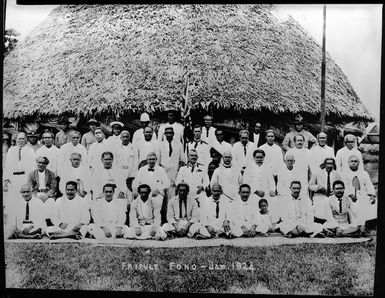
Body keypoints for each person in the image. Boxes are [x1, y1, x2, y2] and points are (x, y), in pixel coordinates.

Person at [132, 152, 170, 222]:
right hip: (143, 194)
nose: (151, 161)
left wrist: (158, 190)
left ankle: (155, 223)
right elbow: (135, 182)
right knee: (140, 207)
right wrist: (135, 189)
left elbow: (167, 183)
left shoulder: (161, 170)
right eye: (150, 159)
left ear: (156, 160)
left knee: (156, 207)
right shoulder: (142, 170)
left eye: (153, 159)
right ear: (147, 160)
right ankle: (142, 222)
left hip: (156, 194)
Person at [341, 155, 376, 231]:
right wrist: (350, 195)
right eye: (352, 161)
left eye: (355, 161)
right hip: (349, 196)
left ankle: (364, 226)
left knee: (369, 204)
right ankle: (356, 227)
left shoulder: (364, 173)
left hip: (363, 195)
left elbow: (369, 185)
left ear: (359, 163)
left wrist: (372, 195)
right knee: (354, 207)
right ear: (348, 163)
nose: (353, 163)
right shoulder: (344, 173)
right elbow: (343, 186)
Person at [4, 132, 36, 208]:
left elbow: (33, 166)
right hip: (13, 179)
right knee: (13, 200)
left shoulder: (30, 151)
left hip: (25, 177)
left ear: (26, 140)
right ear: (16, 140)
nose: (21, 140)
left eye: (23, 139)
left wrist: (31, 180)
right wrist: (6, 179)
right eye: (19, 139)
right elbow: (7, 165)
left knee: (24, 200)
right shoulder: (11, 150)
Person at [241, 149, 276, 214]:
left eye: (261, 157)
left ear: (264, 157)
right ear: (254, 158)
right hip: (253, 195)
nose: (259, 159)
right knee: (254, 212)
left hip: (266, 194)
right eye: (257, 157)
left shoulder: (268, 167)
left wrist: (272, 190)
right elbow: (245, 183)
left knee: (266, 213)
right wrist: (255, 191)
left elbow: (271, 181)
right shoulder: (249, 168)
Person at [308, 158, 342, 224]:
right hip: (320, 195)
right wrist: (318, 188)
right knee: (320, 208)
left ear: (334, 165)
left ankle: (331, 224)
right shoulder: (317, 173)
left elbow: (341, 186)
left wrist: (335, 191)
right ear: (324, 164)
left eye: (331, 163)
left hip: (332, 196)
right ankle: (320, 222)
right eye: (328, 163)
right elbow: (310, 186)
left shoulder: (337, 174)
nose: (329, 165)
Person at [158, 127, 186, 200]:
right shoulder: (160, 145)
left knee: (173, 193)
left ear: (173, 134)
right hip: (163, 171)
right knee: (163, 192)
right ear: (164, 134)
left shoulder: (178, 144)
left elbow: (182, 160)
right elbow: (158, 159)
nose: (169, 135)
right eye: (167, 133)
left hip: (175, 172)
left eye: (170, 133)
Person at [27, 156, 57, 225]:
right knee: (34, 203)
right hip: (36, 194)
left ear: (46, 164)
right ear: (37, 163)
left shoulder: (51, 174)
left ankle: (47, 223)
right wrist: (36, 196)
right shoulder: (32, 174)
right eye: (39, 162)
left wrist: (47, 196)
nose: (41, 164)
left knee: (50, 202)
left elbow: (53, 187)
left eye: (43, 163)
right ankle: (37, 223)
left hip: (47, 194)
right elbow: (30, 187)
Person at [115, 130, 137, 197]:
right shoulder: (117, 148)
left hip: (131, 173)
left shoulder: (134, 148)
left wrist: (133, 175)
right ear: (120, 138)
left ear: (129, 137)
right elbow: (115, 162)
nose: (125, 138)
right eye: (123, 137)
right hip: (120, 173)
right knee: (121, 193)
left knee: (130, 194)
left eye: (127, 137)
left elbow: (136, 162)